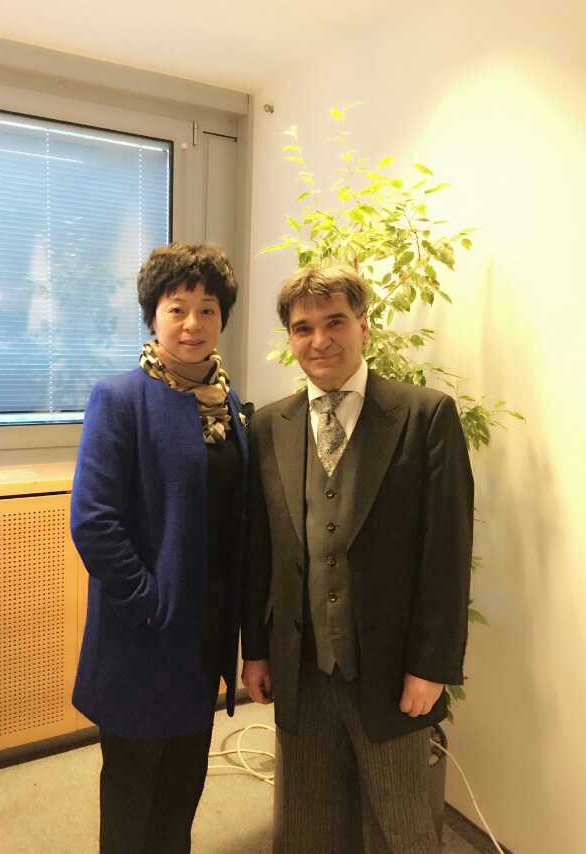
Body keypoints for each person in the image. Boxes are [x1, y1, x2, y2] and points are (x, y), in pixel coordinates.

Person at [241, 264, 473, 854]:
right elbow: (260, 553)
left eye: (335, 322)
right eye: (303, 328)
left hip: (392, 672)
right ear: (289, 338)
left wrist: (431, 666)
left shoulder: (425, 416)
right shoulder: (267, 425)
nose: (320, 340)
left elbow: (446, 555)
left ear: (364, 326)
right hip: (301, 670)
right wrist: (257, 650)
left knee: (402, 828)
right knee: (308, 829)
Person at [71, 242, 247, 854]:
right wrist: (152, 603)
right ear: (153, 317)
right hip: (143, 635)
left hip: (203, 636)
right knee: (132, 796)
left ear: (223, 318)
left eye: (208, 309)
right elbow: (94, 522)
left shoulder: (231, 408)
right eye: (177, 309)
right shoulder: (120, 398)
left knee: (182, 790)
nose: (193, 323)